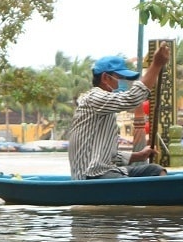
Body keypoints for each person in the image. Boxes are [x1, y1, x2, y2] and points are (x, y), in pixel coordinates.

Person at [68, 42, 171, 180]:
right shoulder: (95, 97)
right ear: (105, 78)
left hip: (107, 170)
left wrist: (138, 156)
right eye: (120, 78)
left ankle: (159, 199)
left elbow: (109, 155)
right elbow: (132, 98)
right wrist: (156, 65)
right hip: (91, 175)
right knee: (126, 182)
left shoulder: (106, 108)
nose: (122, 83)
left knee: (155, 170)